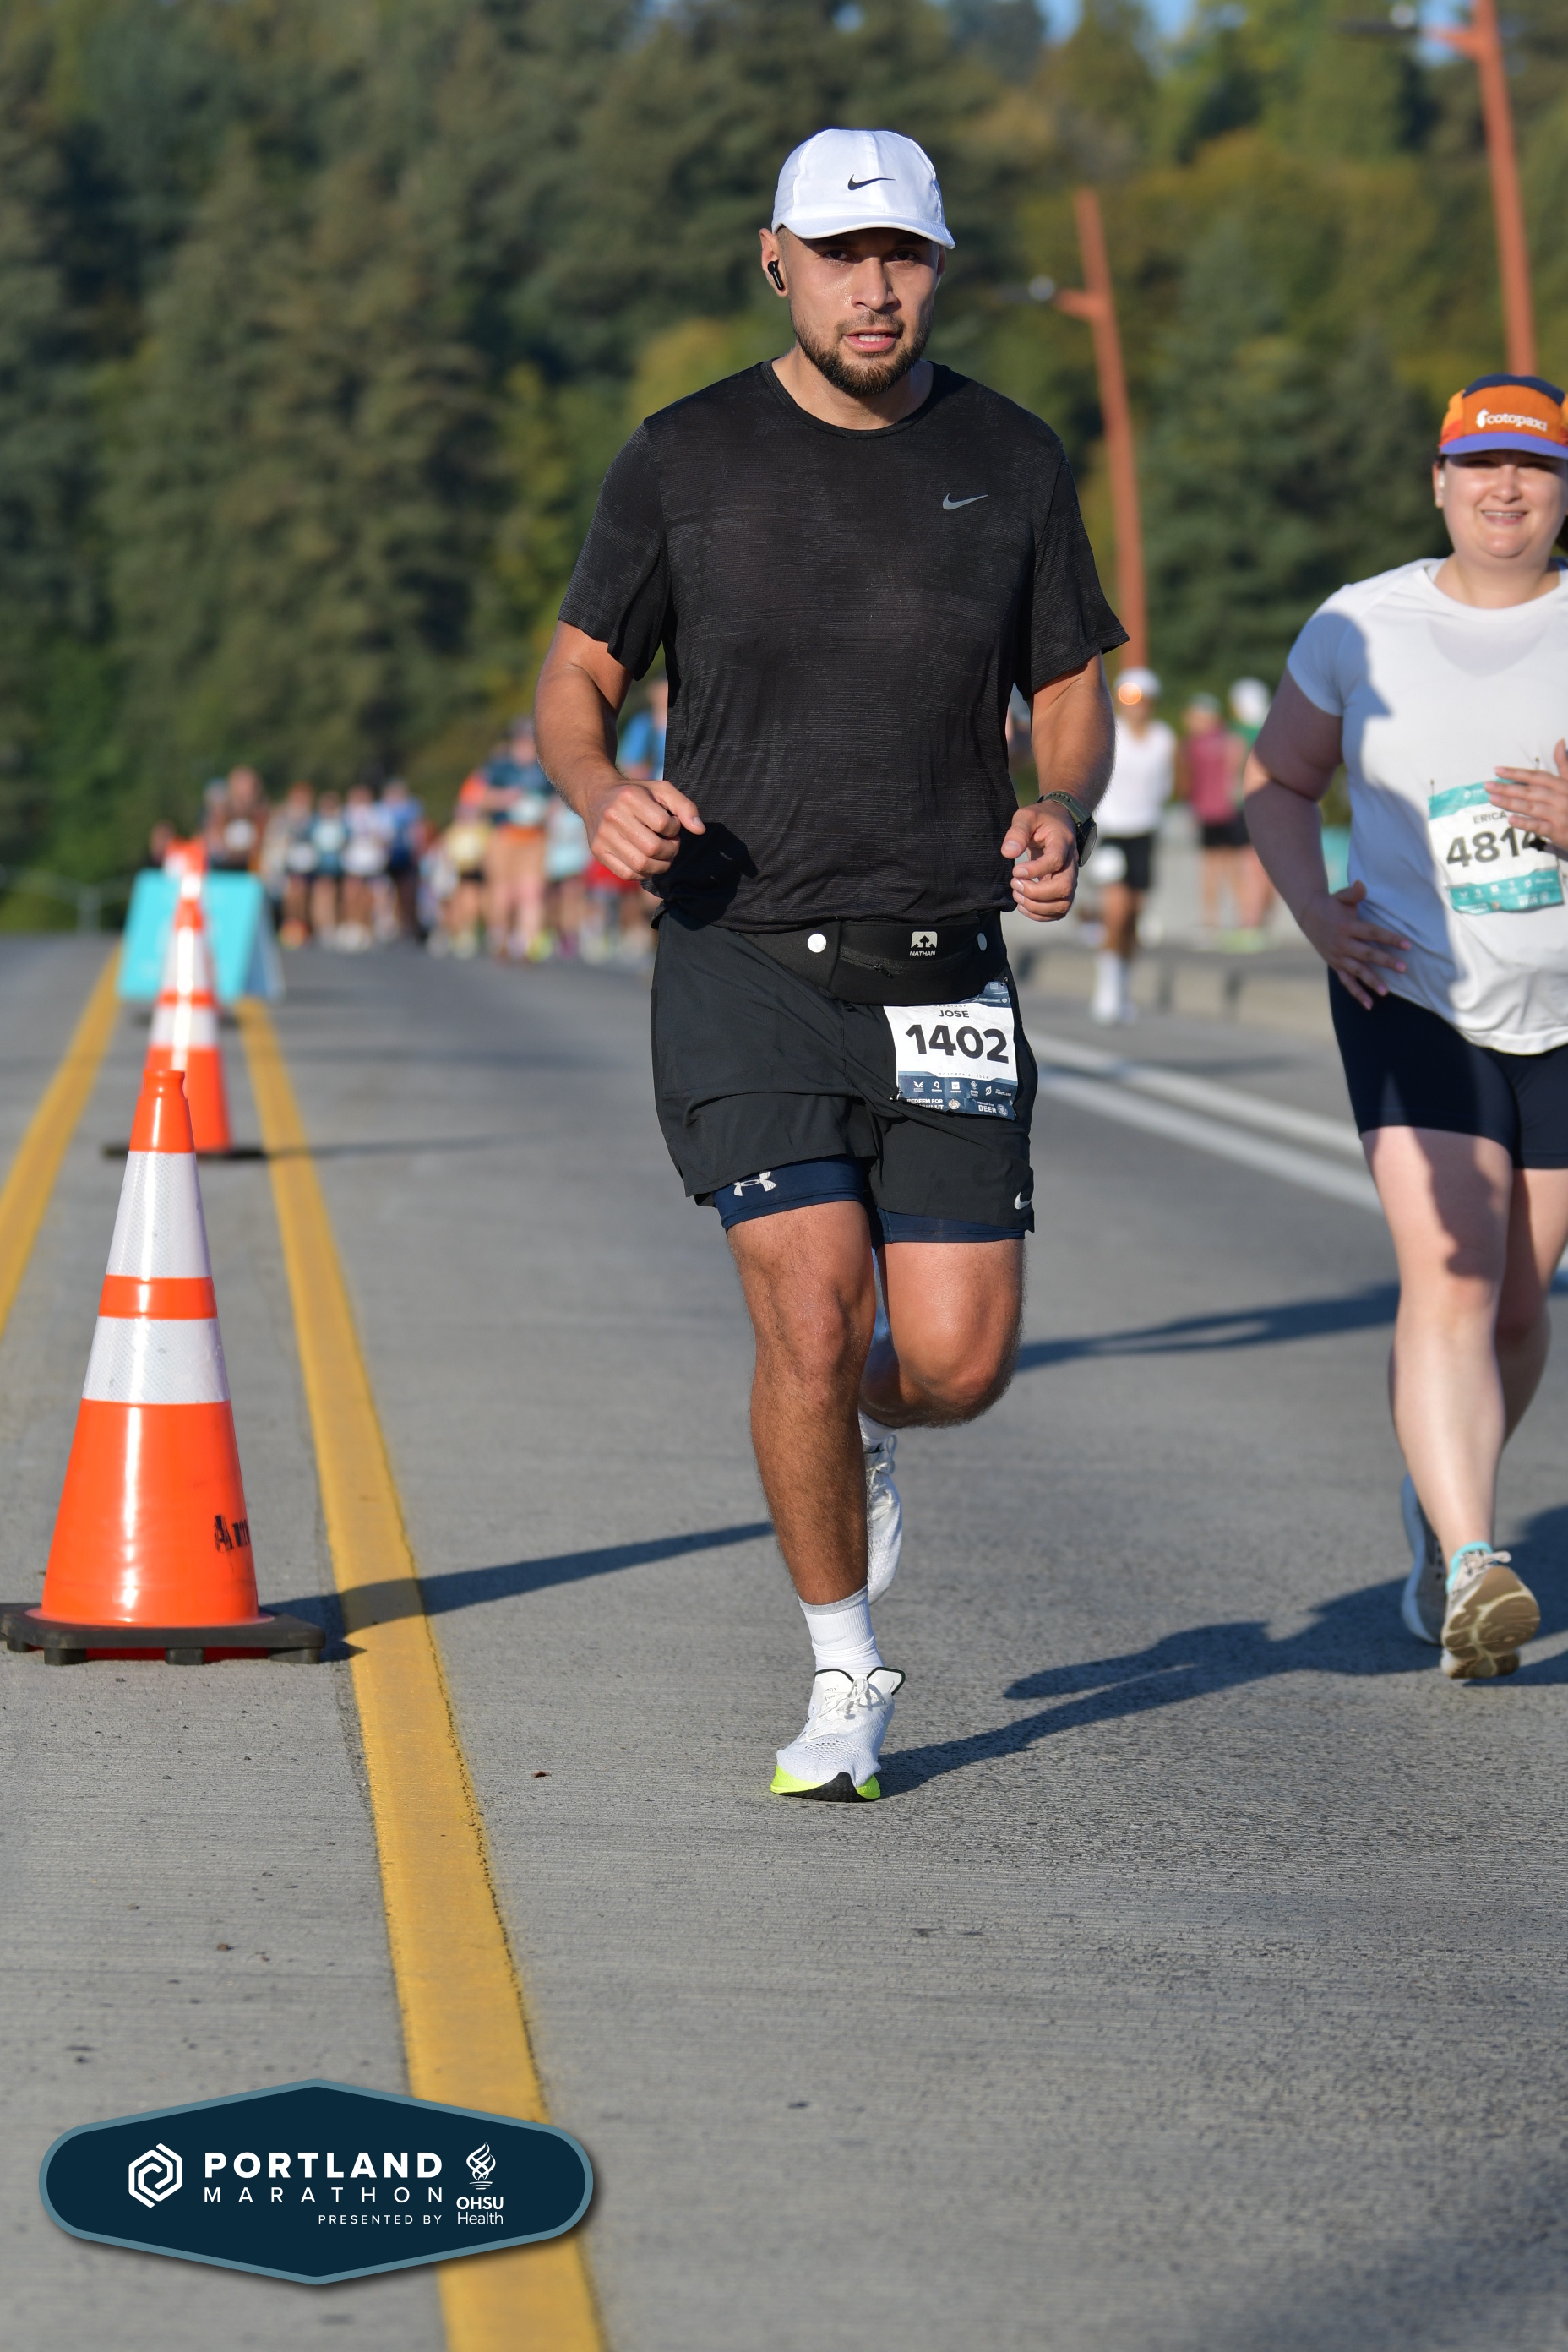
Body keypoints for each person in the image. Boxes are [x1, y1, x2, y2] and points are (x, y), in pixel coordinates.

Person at [536, 126, 1124, 1800]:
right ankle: (843, 1667)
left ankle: (858, 1428)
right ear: (775, 259)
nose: (876, 287)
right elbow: (576, 678)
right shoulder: (684, 457)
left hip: (943, 962)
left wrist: (1061, 804)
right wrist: (595, 788)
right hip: (744, 952)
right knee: (806, 1314)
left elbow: (1069, 685)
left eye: (904, 256)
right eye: (844, 254)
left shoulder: (1010, 456)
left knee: (953, 1362)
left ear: (935, 270)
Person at [1244, 371, 1568, 1680]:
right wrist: (1317, 916)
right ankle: (1480, 1559)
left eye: (1534, 467)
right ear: (1439, 482)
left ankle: (1438, 1518)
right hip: (1410, 990)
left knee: (1519, 1303)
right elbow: (1278, 784)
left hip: (1560, 1007)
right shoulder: (1360, 624)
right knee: (1451, 1270)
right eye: (1480, 465)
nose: (1506, 488)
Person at [1088, 666, 1175, 1023]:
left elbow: (1169, 783)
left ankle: (1123, 985)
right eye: (1128, 698)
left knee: (1134, 916)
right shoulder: (1110, 733)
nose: (1135, 706)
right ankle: (1106, 990)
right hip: (1113, 831)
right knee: (1117, 911)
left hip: (1145, 831)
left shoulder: (1163, 738)